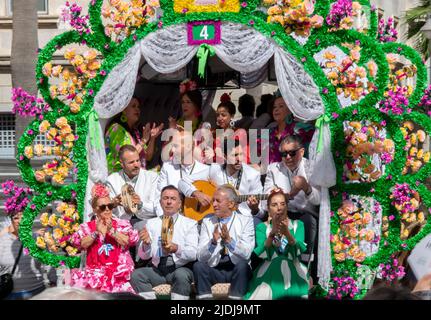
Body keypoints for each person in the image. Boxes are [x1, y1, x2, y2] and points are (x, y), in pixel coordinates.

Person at [263, 135, 320, 282]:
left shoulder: (311, 167)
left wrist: (306, 187)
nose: (288, 157)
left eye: (292, 153)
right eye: (284, 154)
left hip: (305, 213)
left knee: (308, 222)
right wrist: (275, 196)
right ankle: (274, 274)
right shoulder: (273, 169)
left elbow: (319, 200)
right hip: (281, 214)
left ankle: (306, 273)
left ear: (301, 152)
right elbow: (265, 202)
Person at [131, 186, 198, 300]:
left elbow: (193, 254)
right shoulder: (151, 223)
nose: (169, 202)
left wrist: (176, 248)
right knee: (136, 275)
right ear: (160, 202)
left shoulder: (190, 224)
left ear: (179, 203)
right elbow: (144, 256)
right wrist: (146, 244)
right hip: (158, 270)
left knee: (181, 275)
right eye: (165, 198)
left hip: (180, 268)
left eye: (173, 198)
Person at [179, 137, 265, 225]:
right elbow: (182, 182)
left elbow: (262, 214)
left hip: (242, 221)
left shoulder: (253, 175)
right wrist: (197, 193)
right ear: (224, 156)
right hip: (215, 217)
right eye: (234, 155)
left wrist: (255, 209)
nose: (239, 159)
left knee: (257, 224)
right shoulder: (215, 169)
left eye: (241, 154)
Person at [70, 183, 139, 293]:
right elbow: (81, 244)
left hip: (118, 277)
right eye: (102, 207)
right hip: (95, 277)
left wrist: (112, 231)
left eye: (110, 206)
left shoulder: (122, 224)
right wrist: (96, 232)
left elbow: (129, 241)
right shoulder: (87, 227)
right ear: (94, 209)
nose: (107, 209)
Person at [193, 185, 255, 300]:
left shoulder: (246, 221)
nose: (214, 205)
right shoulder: (207, 221)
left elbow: (247, 254)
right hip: (215, 269)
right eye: (213, 201)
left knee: (243, 266)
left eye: (218, 201)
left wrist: (229, 241)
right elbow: (200, 257)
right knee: (198, 266)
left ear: (231, 204)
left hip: (236, 269)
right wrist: (212, 243)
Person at [244, 191, 309, 300]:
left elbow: (298, 249)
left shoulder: (298, 225)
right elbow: (261, 251)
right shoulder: (262, 227)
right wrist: (272, 233)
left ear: (287, 207)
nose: (279, 208)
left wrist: (287, 233)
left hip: (294, 265)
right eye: (274, 205)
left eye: (282, 204)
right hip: (269, 266)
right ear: (268, 209)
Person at [0, 181, 56, 300]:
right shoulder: (2, 241)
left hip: (36, 293)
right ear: (11, 220)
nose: (20, 221)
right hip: (10, 295)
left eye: (23, 217)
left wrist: (53, 282)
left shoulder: (37, 239)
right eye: (16, 218)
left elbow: (48, 262)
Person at [156, 130, 211, 216]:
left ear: (189, 147)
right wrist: (165, 221)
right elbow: (158, 199)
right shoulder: (167, 167)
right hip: (171, 220)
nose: (172, 150)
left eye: (176, 146)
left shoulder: (206, 170)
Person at [105, 96, 164, 174]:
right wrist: (143, 141)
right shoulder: (115, 129)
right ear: (124, 110)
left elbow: (148, 156)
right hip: (119, 178)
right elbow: (127, 157)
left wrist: (152, 138)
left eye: (138, 107)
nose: (137, 109)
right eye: (133, 106)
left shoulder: (135, 132)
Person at [106, 144, 158, 223]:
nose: (136, 165)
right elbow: (105, 211)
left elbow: (157, 208)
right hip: (121, 224)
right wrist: (113, 203)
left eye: (138, 160)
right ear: (122, 164)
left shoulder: (152, 177)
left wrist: (141, 205)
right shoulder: (111, 180)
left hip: (147, 224)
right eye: (131, 162)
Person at [265, 93, 314, 164]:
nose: (276, 109)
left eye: (281, 106)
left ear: (290, 109)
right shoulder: (266, 133)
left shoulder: (301, 130)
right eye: (274, 107)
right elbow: (261, 163)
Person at [202, 93, 249, 165]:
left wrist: (214, 154)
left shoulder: (239, 133)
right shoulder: (213, 133)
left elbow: (237, 155)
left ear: (232, 116)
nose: (220, 118)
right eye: (218, 115)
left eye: (223, 115)